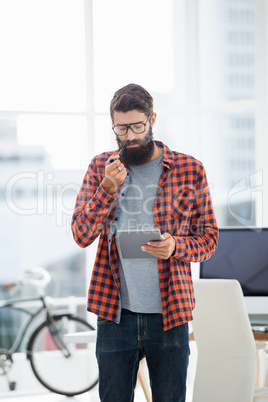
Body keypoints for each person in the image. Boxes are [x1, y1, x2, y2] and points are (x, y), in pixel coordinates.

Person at [72, 83, 218, 402]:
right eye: (121, 128)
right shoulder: (101, 168)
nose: (130, 136)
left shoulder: (189, 169)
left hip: (170, 313)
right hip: (115, 312)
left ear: (152, 119)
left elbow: (209, 238)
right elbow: (81, 235)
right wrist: (107, 188)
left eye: (137, 125)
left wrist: (176, 247)